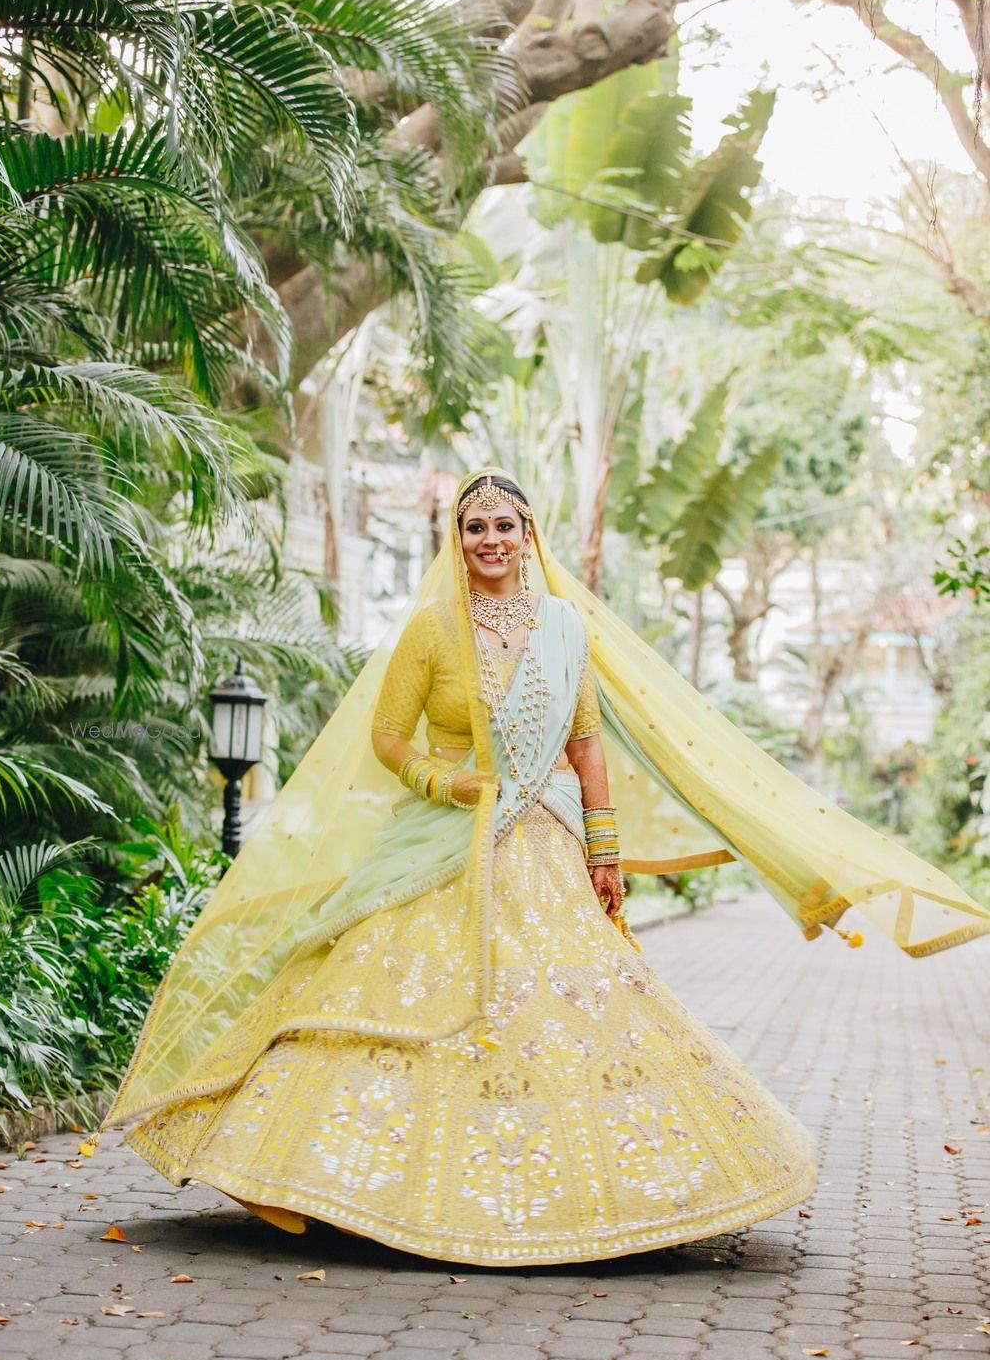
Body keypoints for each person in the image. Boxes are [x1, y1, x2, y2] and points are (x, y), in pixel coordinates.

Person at [94, 470, 990, 1266]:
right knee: (377, 993)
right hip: (445, 842)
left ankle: (604, 1197)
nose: (490, 542)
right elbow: (387, 735)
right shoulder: (429, 632)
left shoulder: (566, 628)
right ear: (457, 540)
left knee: (575, 1008)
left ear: (530, 537)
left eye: (505, 526)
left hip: (548, 844)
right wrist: (445, 781)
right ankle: (308, 1180)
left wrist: (604, 851)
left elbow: (588, 742)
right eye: (474, 527)